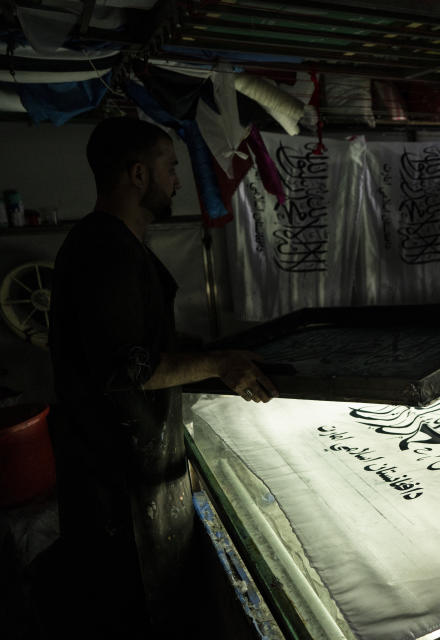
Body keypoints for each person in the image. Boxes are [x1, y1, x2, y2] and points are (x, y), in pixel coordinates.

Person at [44, 117, 278, 638]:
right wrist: (221, 364)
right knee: (132, 610)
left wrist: (209, 353)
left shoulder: (108, 244)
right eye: (171, 167)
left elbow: (139, 345)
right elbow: (131, 366)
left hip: (122, 468)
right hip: (116, 485)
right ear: (138, 174)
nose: (178, 180)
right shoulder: (106, 251)